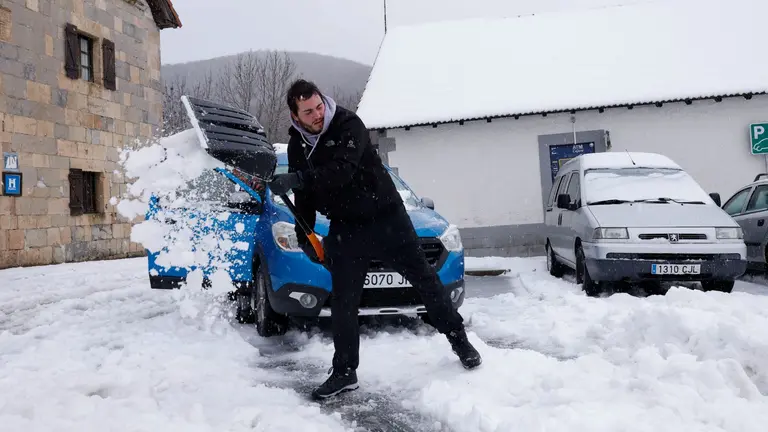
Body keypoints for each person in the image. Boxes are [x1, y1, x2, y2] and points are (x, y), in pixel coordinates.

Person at [268, 79, 482, 400]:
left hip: (386, 217)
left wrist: (297, 177)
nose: (317, 114)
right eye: (308, 111)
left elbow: (343, 170)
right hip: (346, 227)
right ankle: (344, 372)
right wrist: (305, 235)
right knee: (343, 301)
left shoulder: (348, 124)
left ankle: (459, 339)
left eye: (318, 106)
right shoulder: (298, 146)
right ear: (295, 115)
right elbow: (306, 198)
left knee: (425, 280)